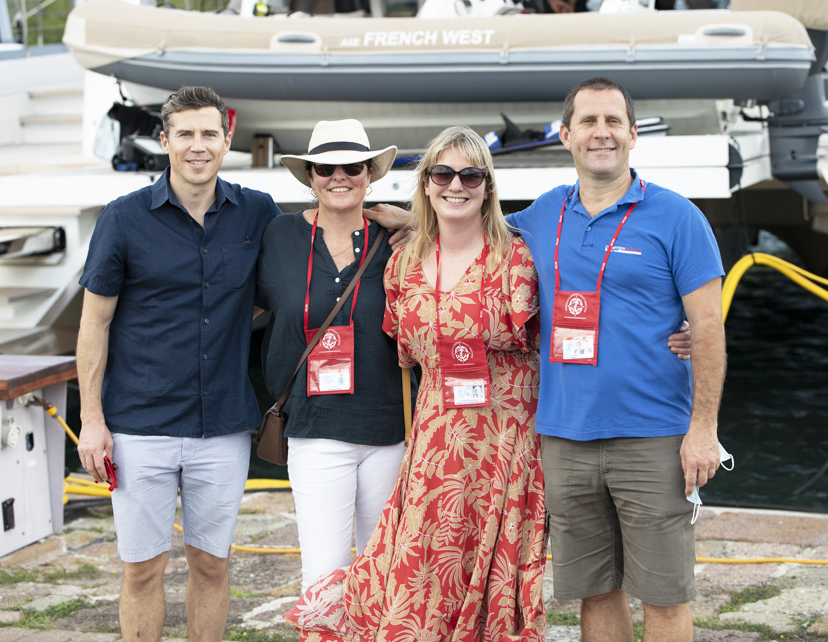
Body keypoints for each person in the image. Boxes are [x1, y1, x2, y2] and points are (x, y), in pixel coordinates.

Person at [285, 125, 546, 641]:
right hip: (433, 444)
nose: (456, 185)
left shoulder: (517, 257)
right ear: (425, 183)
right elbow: (406, 349)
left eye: (471, 175)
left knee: (490, 577)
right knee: (416, 573)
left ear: (488, 185)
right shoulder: (403, 264)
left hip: (502, 449)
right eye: (442, 174)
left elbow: (558, 326)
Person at [505, 76, 726, 642]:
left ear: (632, 134)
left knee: (664, 594)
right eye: (588, 121)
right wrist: (403, 222)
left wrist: (704, 429)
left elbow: (707, 326)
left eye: (612, 122)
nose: (600, 133)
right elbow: (467, 231)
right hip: (565, 437)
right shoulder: (544, 213)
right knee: (595, 590)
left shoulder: (677, 217)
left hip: (652, 437)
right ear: (565, 135)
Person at [75, 86, 281, 642]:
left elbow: (293, 271)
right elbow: (93, 324)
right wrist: (92, 420)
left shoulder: (257, 212)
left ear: (227, 141)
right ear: (164, 141)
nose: (198, 145)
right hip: (140, 426)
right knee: (142, 570)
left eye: (209, 133)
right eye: (185, 134)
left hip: (224, 425)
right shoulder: (122, 219)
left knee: (211, 565)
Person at [258, 119, 413, 593]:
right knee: (324, 578)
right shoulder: (279, 236)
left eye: (352, 166)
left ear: (370, 174)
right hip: (314, 427)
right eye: (325, 168)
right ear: (310, 176)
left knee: (382, 576)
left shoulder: (400, 238)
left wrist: (415, 222)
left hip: (389, 430)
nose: (339, 176)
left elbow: (474, 237)